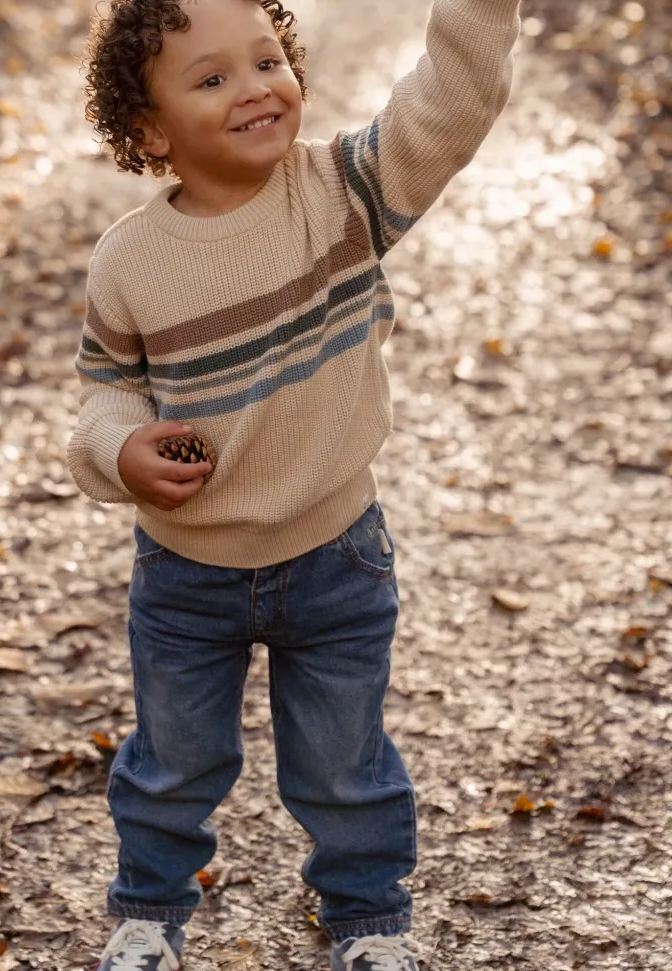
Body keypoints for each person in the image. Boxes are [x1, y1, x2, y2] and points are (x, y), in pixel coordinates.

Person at [66, 0, 521, 967]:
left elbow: (454, 101)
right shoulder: (131, 262)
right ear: (150, 129)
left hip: (337, 553)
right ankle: (147, 915)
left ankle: (365, 921)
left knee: (344, 763)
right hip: (188, 573)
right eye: (212, 77)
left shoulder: (345, 193)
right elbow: (103, 393)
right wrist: (122, 451)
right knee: (173, 763)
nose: (256, 87)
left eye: (267, 59)